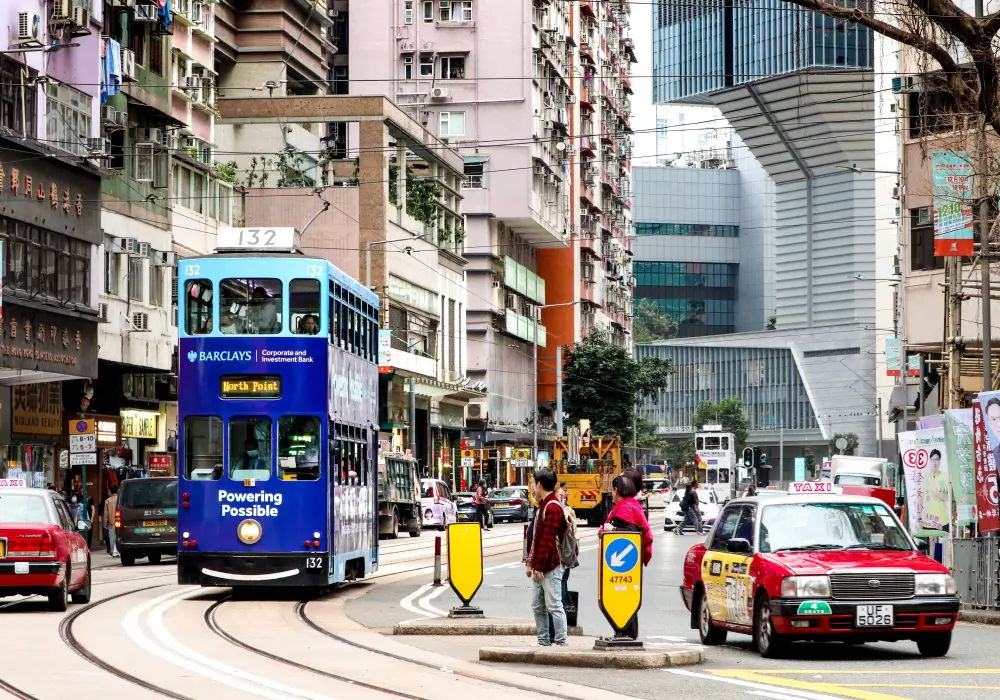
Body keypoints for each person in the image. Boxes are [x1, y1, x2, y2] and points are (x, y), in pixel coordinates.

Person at [599, 474, 653, 639]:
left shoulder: (625, 508)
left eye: (613, 490)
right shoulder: (631, 505)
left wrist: (610, 530)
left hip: (624, 563)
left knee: (622, 595)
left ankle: (625, 632)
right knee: (626, 595)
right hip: (627, 562)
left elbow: (628, 534)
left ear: (617, 491)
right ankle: (625, 632)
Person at [526, 468, 568, 647]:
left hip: (550, 565)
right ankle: (543, 640)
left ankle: (560, 640)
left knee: (554, 605)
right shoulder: (544, 505)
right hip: (540, 565)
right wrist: (531, 563)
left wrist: (540, 567)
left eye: (534, 484)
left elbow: (547, 540)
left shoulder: (552, 507)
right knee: (538, 605)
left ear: (539, 484)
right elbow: (536, 537)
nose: (533, 488)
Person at [922, 448, 949, 532]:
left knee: (940, 545)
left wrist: (940, 495)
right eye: (933, 459)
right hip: (927, 521)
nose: (935, 462)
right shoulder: (924, 478)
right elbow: (920, 498)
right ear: (930, 461)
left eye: (937, 459)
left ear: (940, 461)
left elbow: (951, 498)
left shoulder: (945, 477)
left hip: (942, 522)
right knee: (930, 544)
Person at [102, 485, 119, 558]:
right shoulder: (120, 499)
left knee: (112, 537)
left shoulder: (107, 501)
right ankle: (119, 551)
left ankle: (113, 552)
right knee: (119, 536)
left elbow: (105, 514)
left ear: (110, 492)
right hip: (120, 520)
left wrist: (105, 523)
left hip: (111, 521)